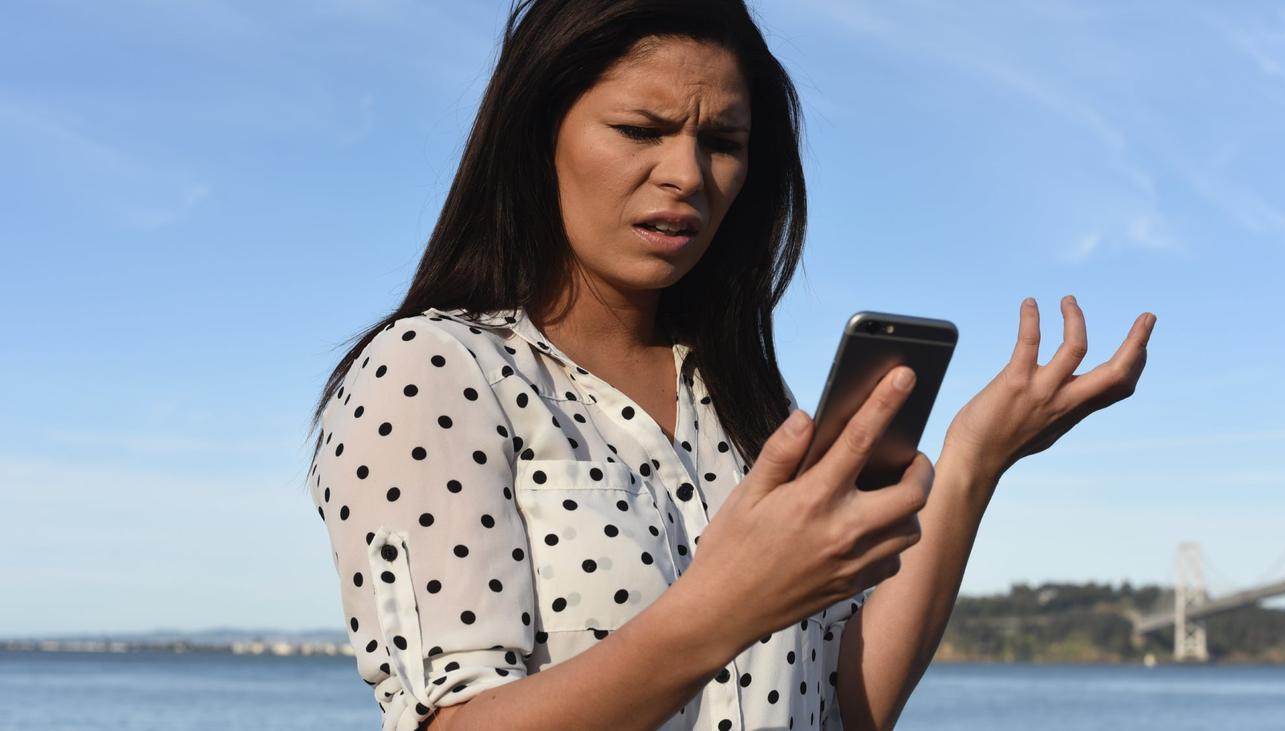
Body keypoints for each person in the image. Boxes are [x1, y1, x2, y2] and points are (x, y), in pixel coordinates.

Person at [303, 1, 1158, 729]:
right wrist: (729, 605)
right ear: (539, 138)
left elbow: (842, 707)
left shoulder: (740, 400)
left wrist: (975, 457)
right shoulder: (434, 370)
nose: (686, 174)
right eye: (640, 129)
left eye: (722, 142)